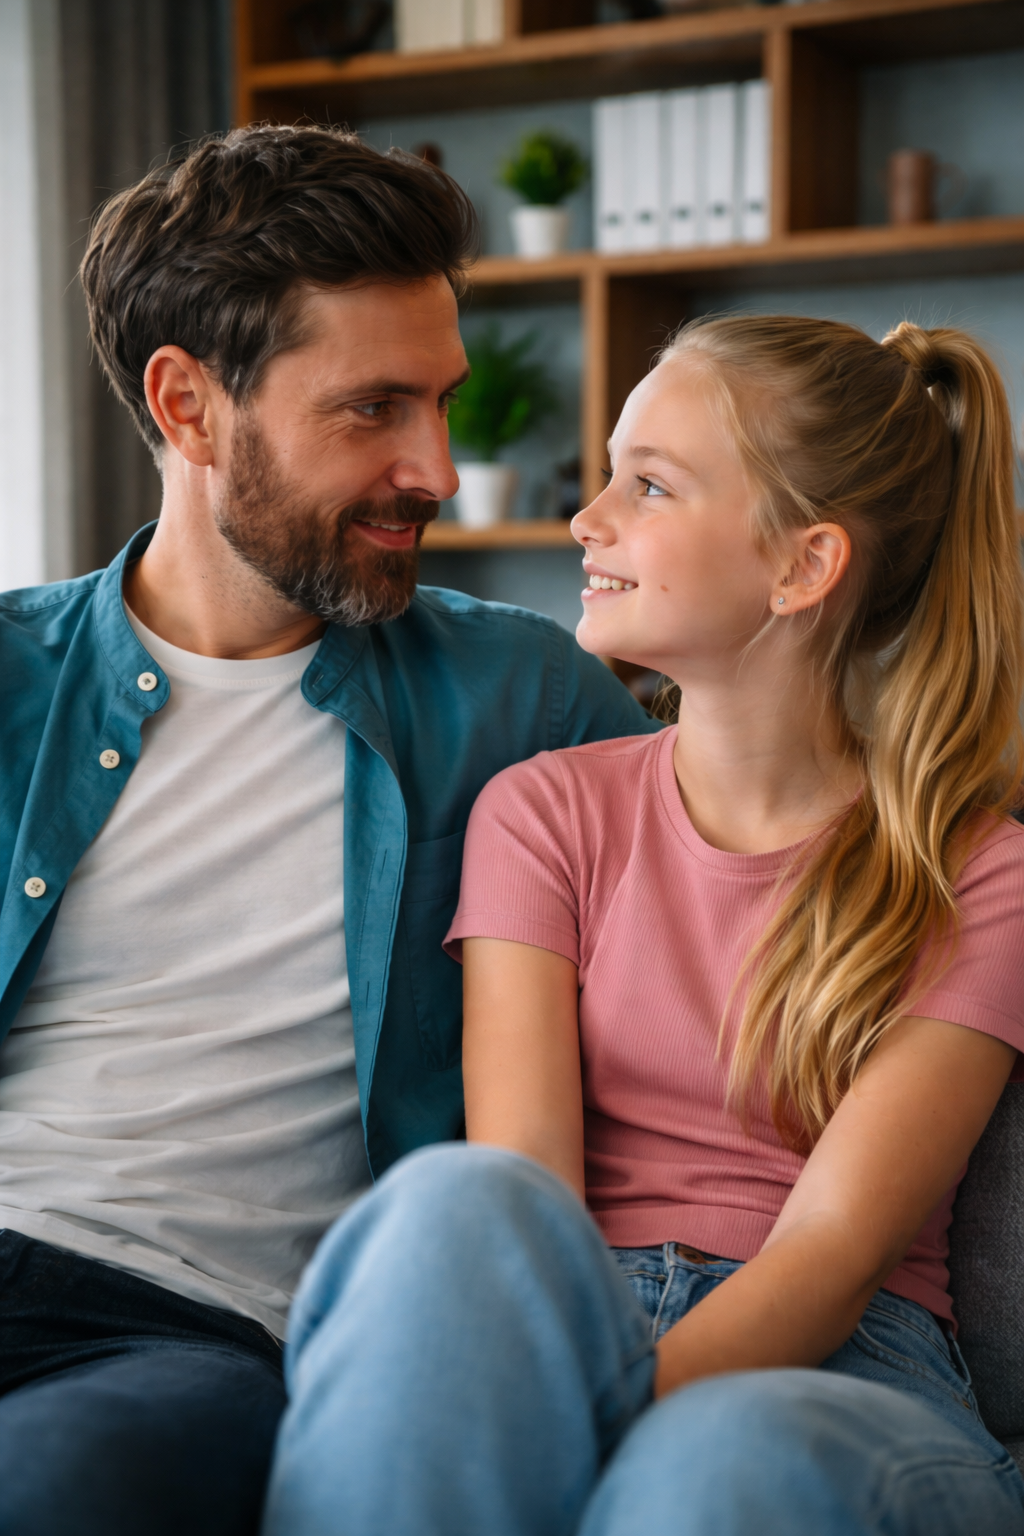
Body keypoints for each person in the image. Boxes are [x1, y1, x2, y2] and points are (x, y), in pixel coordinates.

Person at [260, 314, 1024, 1536]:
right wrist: (555, 1399)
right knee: (455, 1207)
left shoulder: (976, 872)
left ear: (801, 567)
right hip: (574, 1318)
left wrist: (587, 1433)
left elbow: (828, 1256)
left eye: (650, 484)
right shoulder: (544, 813)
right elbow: (529, 1200)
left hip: (843, 1371)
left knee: (713, 1473)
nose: (587, 516)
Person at [0, 124, 655, 1536]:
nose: (439, 470)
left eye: (443, 403)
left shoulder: (520, 693)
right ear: (187, 406)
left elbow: (784, 842)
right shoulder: (10, 682)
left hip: (183, 1337)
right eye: (372, 410)